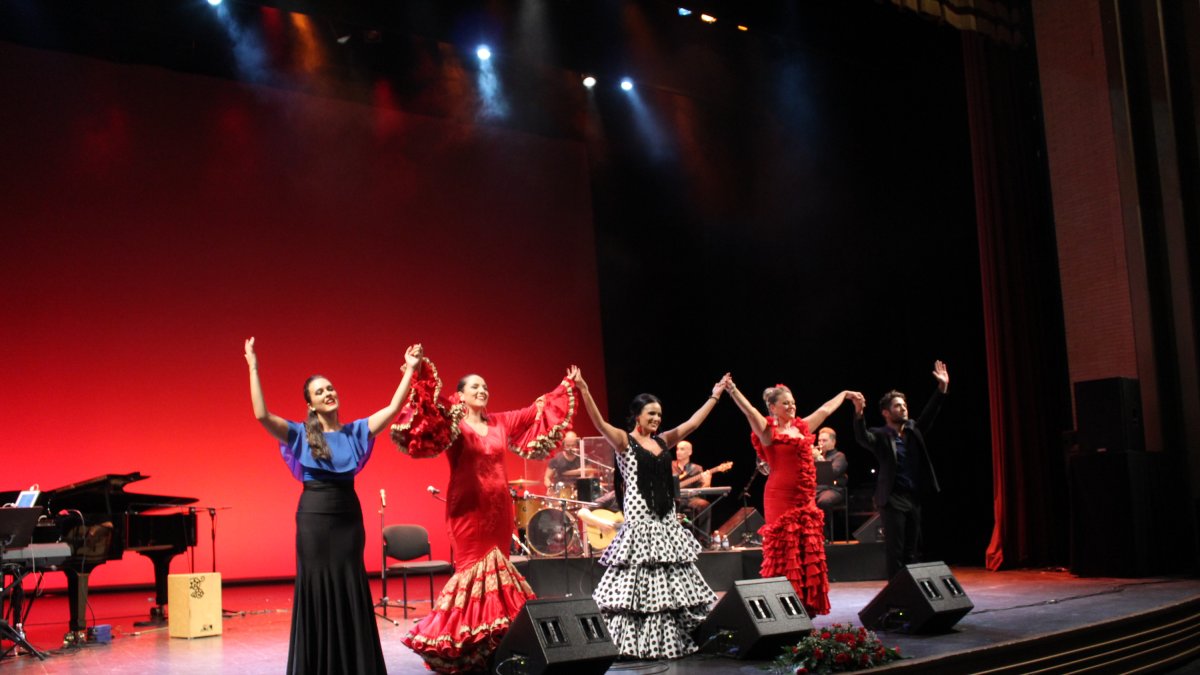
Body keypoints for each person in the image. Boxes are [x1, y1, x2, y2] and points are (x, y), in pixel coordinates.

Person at [244, 337, 423, 675]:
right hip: (313, 518)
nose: (328, 393)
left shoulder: (356, 432)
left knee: (348, 582)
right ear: (311, 404)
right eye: (320, 391)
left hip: (348, 519)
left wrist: (411, 371)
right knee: (317, 584)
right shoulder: (298, 434)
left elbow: (393, 408)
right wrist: (253, 367)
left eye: (330, 388)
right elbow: (261, 415)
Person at [392, 359, 577, 674]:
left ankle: (496, 644)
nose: (482, 390)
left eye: (485, 386)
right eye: (474, 386)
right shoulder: (454, 420)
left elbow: (536, 409)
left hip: (499, 509)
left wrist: (567, 386)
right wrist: (416, 370)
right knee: (472, 573)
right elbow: (429, 406)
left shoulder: (500, 422)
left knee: (499, 571)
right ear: (460, 395)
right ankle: (463, 646)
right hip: (467, 510)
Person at [571, 368, 722, 660]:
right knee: (640, 586)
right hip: (640, 524)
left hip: (665, 522)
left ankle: (672, 639)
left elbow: (692, 423)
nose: (656, 419)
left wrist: (715, 396)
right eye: (650, 414)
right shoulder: (624, 442)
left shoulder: (664, 441)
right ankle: (635, 644)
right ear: (637, 415)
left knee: (669, 582)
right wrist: (584, 389)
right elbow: (600, 423)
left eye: (659, 415)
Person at [724, 379, 858, 617]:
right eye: (785, 403)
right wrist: (733, 390)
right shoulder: (767, 432)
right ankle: (783, 608)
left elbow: (825, 410)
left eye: (793, 402)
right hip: (780, 497)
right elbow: (750, 411)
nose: (791, 406)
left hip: (805, 497)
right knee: (785, 550)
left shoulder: (802, 427)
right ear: (773, 407)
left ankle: (805, 608)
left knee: (807, 548)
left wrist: (844, 392)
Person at [851, 360, 949, 579]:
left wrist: (941, 388)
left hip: (913, 497)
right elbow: (862, 437)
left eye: (904, 405)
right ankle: (897, 598)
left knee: (912, 551)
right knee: (895, 551)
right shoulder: (881, 435)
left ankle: (914, 595)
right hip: (892, 499)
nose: (903, 408)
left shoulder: (914, 429)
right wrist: (859, 413)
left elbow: (930, 413)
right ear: (886, 413)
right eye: (897, 406)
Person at [672, 440, 713, 540]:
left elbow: (702, 492)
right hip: (671, 499)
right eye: (677, 449)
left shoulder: (697, 469)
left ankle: (703, 539)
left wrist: (707, 482)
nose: (678, 452)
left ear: (689, 452)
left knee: (704, 504)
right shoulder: (670, 466)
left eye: (682, 449)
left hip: (690, 499)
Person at [814, 427, 849, 513]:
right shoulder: (816, 457)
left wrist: (818, 457)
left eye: (824, 440)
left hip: (834, 489)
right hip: (817, 489)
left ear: (833, 442)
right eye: (819, 440)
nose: (821, 443)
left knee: (824, 501)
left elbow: (832, 473)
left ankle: (826, 526)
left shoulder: (839, 456)